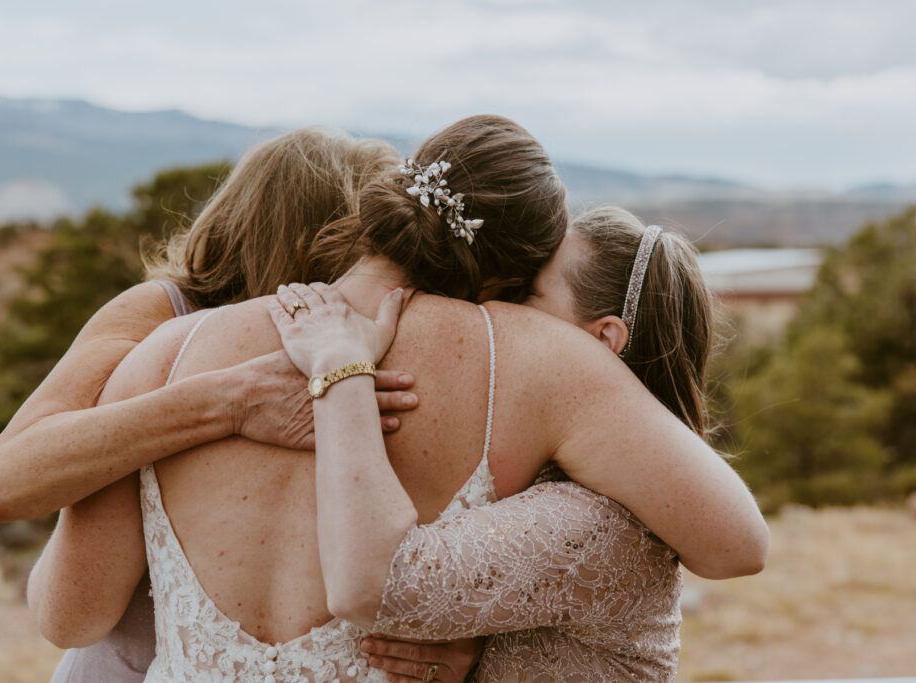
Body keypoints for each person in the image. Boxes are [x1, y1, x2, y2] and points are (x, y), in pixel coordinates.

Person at [33, 115, 767, 681]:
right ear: (509, 268)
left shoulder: (166, 355)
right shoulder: (540, 363)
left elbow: (70, 613)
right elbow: (733, 537)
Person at [0, 128, 461, 682]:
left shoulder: (361, 348)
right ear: (314, 237)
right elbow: (0, 484)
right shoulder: (162, 315)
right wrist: (227, 400)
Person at [272, 207, 719, 680]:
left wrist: (340, 366)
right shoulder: (587, 478)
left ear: (604, 338)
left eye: (525, 292)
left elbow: (385, 585)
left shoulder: (598, 519)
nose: (495, 308)